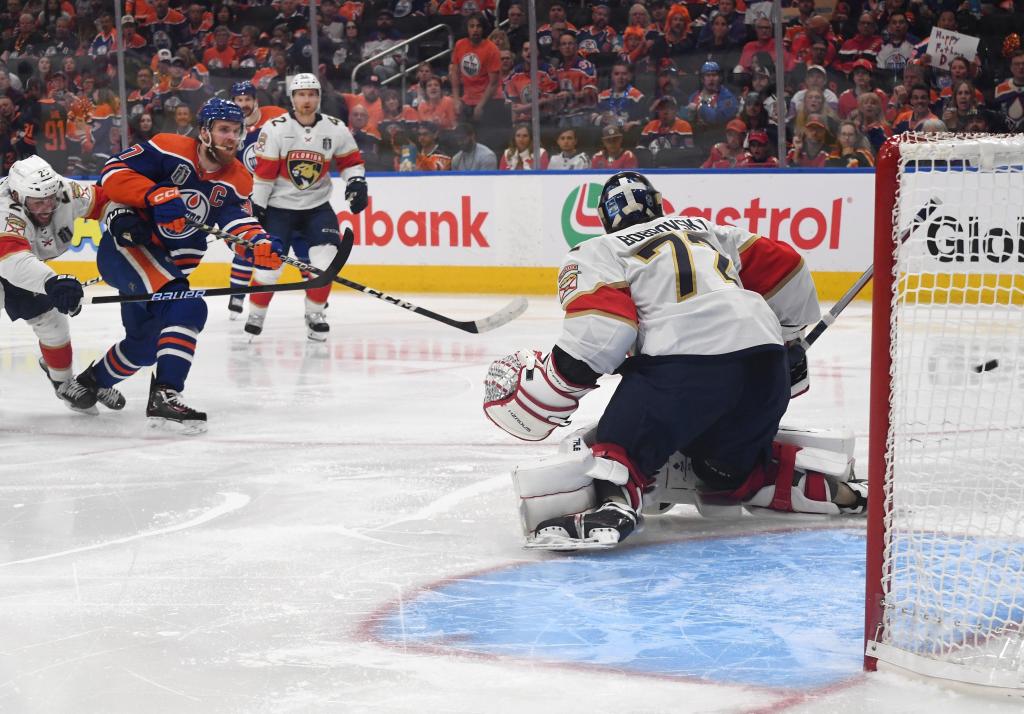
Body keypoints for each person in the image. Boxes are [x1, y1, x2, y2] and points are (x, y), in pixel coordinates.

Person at [483, 172, 864, 549]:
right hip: (766, 369)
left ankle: (613, 500)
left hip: (684, 371)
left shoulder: (599, 250)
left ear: (604, 220)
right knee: (722, 472)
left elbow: (604, 330)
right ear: (660, 203)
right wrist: (789, 339)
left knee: (617, 446)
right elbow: (788, 268)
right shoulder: (710, 230)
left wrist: (557, 381)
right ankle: (804, 485)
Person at [59, 99, 282, 433]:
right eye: (224, 129)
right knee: (189, 308)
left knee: (145, 345)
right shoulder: (168, 147)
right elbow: (113, 174)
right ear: (205, 131)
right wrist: (152, 195)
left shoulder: (238, 179)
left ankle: (88, 384)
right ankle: (165, 394)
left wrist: (258, 245)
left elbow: (238, 223)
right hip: (128, 250)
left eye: (237, 131)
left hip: (166, 268)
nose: (231, 138)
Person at [246, 74, 367, 341]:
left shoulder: (335, 128)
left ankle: (315, 315)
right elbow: (264, 175)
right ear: (292, 98)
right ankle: (256, 313)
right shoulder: (275, 128)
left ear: (319, 97)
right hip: (279, 209)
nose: (307, 100)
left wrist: (356, 182)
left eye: (312, 94)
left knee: (325, 264)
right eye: (301, 95)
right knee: (270, 269)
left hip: (316, 208)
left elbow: (350, 162)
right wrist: (257, 207)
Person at [0, 156, 123, 414]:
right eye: (38, 202)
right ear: (17, 196)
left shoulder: (64, 191)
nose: (47, 207)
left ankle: (64, 383)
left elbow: (105, 201)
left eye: (50, 199)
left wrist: (121, 219)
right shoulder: (4, 210)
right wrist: (51, 281)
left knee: (53, 324)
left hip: (25, 264)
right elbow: (11, 261)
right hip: (9, 261)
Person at [225, 80, 289, 318]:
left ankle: (316, 295)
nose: (243, 104)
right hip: (246, 195)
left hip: (277, 193)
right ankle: (236, 296)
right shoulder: (230, 127)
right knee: (246, 241)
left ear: (255, 100)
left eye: (247, 99)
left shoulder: (276, 117)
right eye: (239, 100)